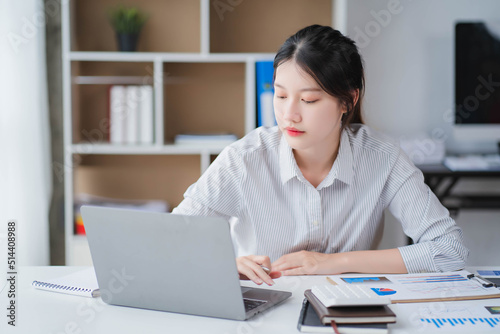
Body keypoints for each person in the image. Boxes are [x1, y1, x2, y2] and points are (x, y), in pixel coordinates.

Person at [172, 25, 468, 286]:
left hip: (351, 306)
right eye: (281, 95)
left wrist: (332, 264)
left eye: (309, 100)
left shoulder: (382, 157)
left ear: (347, 101)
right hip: (265, 308)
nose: (289, 115)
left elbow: (449, 249)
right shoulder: (244, 159)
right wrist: (225, 264)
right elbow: (171, 238)